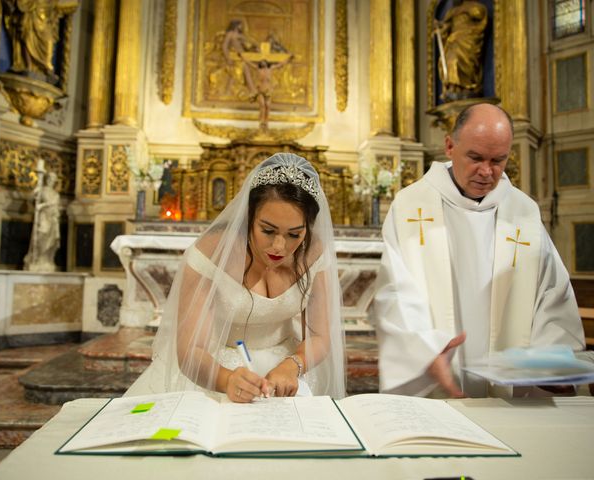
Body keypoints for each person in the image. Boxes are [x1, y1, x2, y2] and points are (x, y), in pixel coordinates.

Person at [373, 103, 585, 398]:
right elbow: (394, 291)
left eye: (498, 160)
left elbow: (552, 293)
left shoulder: (522, 211)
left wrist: (550, 359)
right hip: (439, 378)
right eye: (475, 157)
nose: (487, 172)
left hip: (512, 388)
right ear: (449, 146)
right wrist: (423, 349)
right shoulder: (411, 205)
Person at [126, 153, 346, 402]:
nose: (278, 246)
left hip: (287, 367)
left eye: (294, 234)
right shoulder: (211, 254)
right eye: (267, 230)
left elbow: (320, 336)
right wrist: (226, 379)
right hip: (211, 368)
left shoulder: (314, 254)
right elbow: (191, 349)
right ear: (248, 217)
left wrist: (293, 365)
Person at [435, 0, 488, 102]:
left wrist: (463, 9)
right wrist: (440, 28)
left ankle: (466, 87)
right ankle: (453, 88)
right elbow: (446, 28)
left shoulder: (474, 6)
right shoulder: (451, 12)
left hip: (468, 39)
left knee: (460, 61)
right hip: (453, 42)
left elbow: (480, 14)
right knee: (450, 61)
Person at [241, 54, 293, 129]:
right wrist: (242, 57)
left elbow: (280, 64)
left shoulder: (270, 69)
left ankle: (266, 122)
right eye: (261, 62)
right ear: (260, 64)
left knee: (267, 106)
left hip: (268, 91)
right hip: (260, 91)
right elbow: (249, 63)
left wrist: (288, 59)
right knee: (262, 105)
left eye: (264, 61)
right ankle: (261, 121)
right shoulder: (258, 69)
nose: (263, 62)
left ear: (267, 63)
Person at [24, 171, 61, 272]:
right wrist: (35, 191)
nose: (51, 181)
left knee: (52, 240)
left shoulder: (56, 194)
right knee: (41, 235)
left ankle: (46, 260)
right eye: (49, 178)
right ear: (46, 179)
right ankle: (37, 259)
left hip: (53, 218)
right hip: (43, 216)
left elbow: (56, 206)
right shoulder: (42, 190)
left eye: (53, 179)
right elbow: (31, 200)